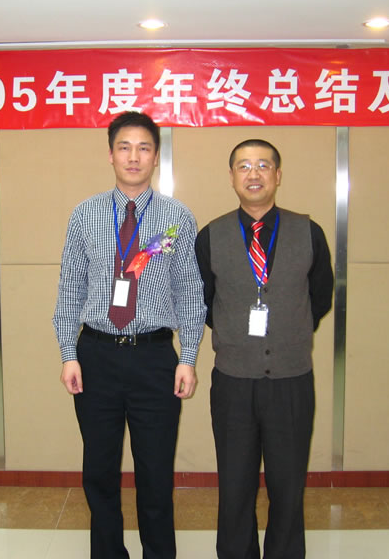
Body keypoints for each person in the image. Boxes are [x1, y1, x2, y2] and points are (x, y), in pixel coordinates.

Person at [53, 111, 206, 559]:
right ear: (111, 155)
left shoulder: (177, 218)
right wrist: (68, 353)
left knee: (155, 473)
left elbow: (189, 291)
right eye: (124, 147)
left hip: (154, 357)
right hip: (96, 355)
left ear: (156, 157)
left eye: (143, 148)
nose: (133, 156)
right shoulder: (85, 214)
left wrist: (188, 357)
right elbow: (70, 288)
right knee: (99, 472)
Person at [195, 139, 334, 559]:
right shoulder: (211, 235)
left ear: (277, 175)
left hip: (292, 380)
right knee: (235, 484)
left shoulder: (308, 232)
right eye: (243, 166)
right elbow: (205, 302)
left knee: (287, 484)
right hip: (233, 381)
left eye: (262, 165)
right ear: (231, 177)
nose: (253, 174)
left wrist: (287, 331)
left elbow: (320, 297)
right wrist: (239, 335)